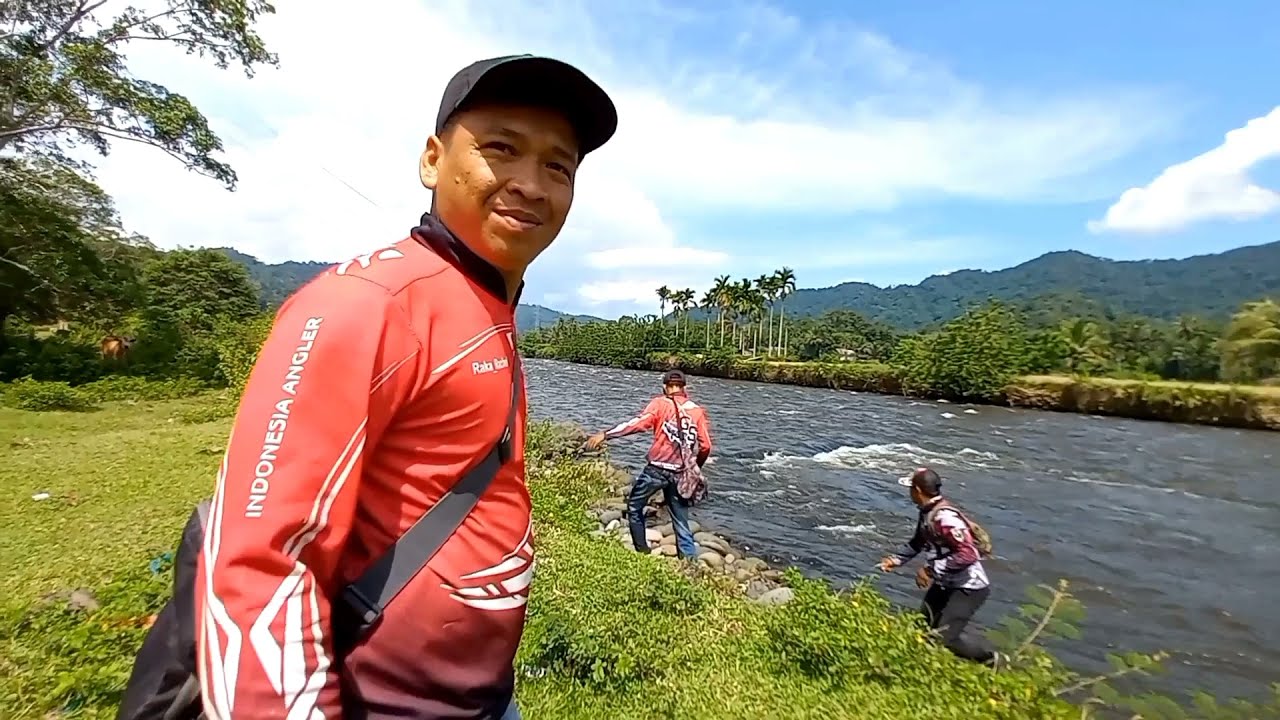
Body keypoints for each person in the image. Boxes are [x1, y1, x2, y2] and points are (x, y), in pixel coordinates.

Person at [194, 55, 617, 720]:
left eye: (558, 166)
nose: (532, 184)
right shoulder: (367, 305)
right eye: (501, 149)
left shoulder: (488, 308)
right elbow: (258, 568)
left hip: (480, 698)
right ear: (431, 161)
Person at [878, 467, 1005, 667]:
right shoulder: (927, 513)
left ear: (918, 490)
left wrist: (929, 570)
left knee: (946, 637)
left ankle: (990, 661)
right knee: (923, 628)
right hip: (945, 583)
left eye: (911, 488)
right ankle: (919, 669)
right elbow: (917, 543)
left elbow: (968, 554)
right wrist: (895, 560)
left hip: (968, 588)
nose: (909, 492)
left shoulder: (945, 518)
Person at [584, 370, 712, 559]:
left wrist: (606, 434)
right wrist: (694, 468)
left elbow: (637, 424)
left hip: (657, 470)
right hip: (680, 473)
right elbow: (706, 446)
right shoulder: (697, 411)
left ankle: (641, 553)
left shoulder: (660, 404)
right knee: (681, 520)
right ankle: (689, 563)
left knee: (635, 507)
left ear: (664, 387)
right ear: (685, 388)